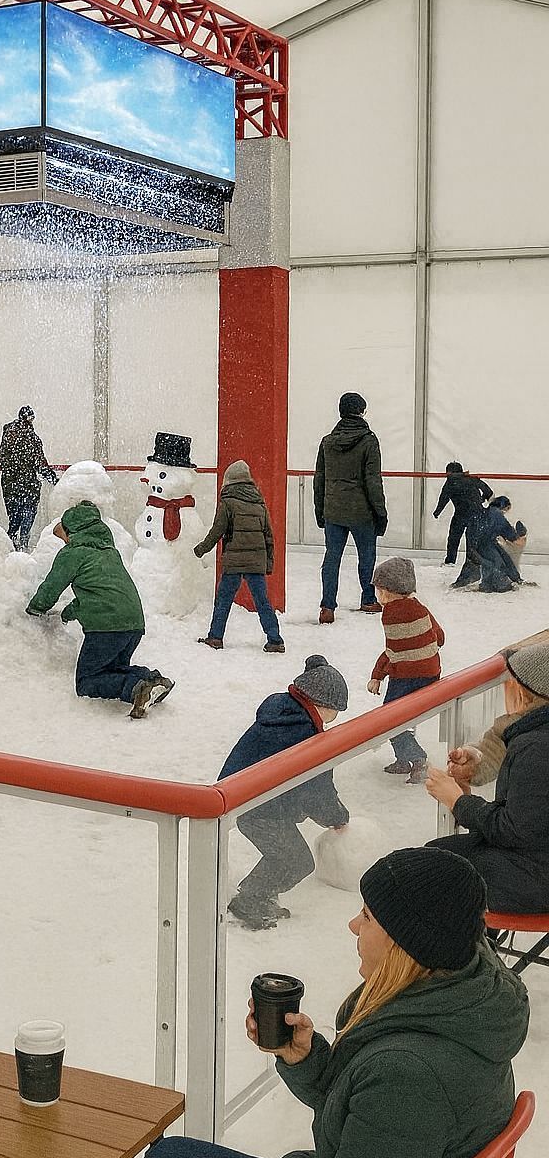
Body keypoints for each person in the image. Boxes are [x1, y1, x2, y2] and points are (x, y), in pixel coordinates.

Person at [89, 847, 527, 1158]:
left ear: (406, 946)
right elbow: (379, 1120)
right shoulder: (463, 1002)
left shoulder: (411, 1074)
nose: (353, 925)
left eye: (369, 918)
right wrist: (305, 1060)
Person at [222, 655, 349, 931]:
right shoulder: (303, 733)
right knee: (297, 861)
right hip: (258, 807)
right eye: (335, 710)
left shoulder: (285, 711)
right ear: (321, 704)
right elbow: (316, 787)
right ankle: (249, 901)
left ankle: (255, 895)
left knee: (286, 855)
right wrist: (336, 816)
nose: (334, 718)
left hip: (246, 797)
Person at [427, 642, 549, 912]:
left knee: (426, 872)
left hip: (537, 879)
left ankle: (465, 952)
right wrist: (475, 767)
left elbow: (513, 831)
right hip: (535, 864)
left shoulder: (537, 747)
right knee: (437, 857)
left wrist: (459, 801)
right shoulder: (533, 735)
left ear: (520, 693)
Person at [26, 501, 173, 719]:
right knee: (110, 671)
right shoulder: (108, 552)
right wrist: (68, 613)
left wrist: (34, 609)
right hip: (133, 624)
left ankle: (137, 687)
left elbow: (51, 588)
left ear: (72, 531)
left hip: (107, 628)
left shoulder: (73, 553)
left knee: (87, 681)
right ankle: (151, 680)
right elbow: (101, 594)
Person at [367, 557, 444, 785]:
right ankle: (403, 760)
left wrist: (376, 676)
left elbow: (393, 652)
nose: (377, 595)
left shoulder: (392, 614)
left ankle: (417, 759)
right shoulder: (420, 607)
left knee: (390, 720)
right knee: (404, 718)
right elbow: (439, 636)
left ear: (388, 591)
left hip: (406, 678)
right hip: (431, 673)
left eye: (378, 590)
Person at [192, 459, 283, 653]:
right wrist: (268, 563)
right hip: (256, 561)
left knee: (223, 599)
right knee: (263, 601)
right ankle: (275, 639)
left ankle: (215, 637)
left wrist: (202, 548)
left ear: (229, 480)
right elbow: (268, 535)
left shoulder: (228, 501)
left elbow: (217, 530)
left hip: (234, 561)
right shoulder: (259, 501)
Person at [313, 392, 387, 624]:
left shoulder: (327, 442)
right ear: (362, 411)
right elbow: (373, 480)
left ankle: (327, 606)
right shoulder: (369, 440)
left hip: (333, 509)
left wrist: (320, 509)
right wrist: (380, 512)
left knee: (332, 558)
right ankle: (367, 598)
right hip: (361, 511)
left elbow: (319, 479)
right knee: (366, 557)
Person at [0, 405, 57, 552]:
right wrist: (53, 479)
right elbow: (40, 463)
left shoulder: (7, 435)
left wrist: (11, 472)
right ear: (29, 418)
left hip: (9, 484)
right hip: (28, 484)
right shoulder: (32, 438)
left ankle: (11, 541)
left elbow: (1, 459)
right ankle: (23, 544)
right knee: (27, 514)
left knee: (14, 517)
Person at [452, 496, 521, 594]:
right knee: (498, 561)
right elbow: (510, 534)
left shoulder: (482, 513)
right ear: (503, 507)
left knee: (500, 557)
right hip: (485, 544)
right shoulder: (497, 515)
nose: (505, 512)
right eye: (506, 509)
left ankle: (468, 582)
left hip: (475, 545)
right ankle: (498, 584)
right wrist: (515, 536)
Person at [433, 462, 493, 567]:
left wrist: (437, 511)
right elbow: (489, 492)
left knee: (453, 538)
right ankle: (473, 562)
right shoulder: (472, 479)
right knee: (472, 540)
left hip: (461, 513)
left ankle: (450, 561)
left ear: (449, 472)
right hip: (477, 513)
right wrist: (481, 500)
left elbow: (443, 499)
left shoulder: (450, 483)